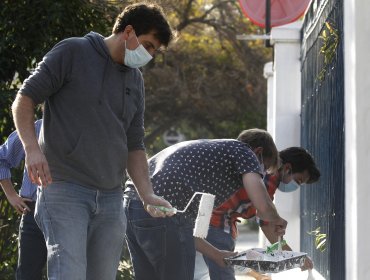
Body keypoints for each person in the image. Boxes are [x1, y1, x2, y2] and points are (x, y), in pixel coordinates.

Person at [11, 2, 175, 279]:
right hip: (64, 190)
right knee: (70, 273)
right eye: (147, 45)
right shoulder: (73, 51)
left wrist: (146, 194)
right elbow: (24, 99)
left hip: (111, 198)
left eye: (154, 51)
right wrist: (32, 150)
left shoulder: (135, 80)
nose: (149, 55)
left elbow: (134, 144)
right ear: (129, 31)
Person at [124, 128, 288, 280]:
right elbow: (263, 206)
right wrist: (276, 220)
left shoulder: (212, 162)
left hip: (133, 205)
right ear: (258, 152)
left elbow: (187, 227)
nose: (259, 174)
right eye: (263, 168)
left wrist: (216, 254)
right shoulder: (244, 152)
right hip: (162, 210)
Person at [196, 146, 320, 280]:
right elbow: (267, 225)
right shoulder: (269, 178)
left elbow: (268, 226)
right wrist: (296, 258)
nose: (296, 186)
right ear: (287, 168)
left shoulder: (264, 176)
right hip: (216, 223)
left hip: (213, 221)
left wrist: (294, 257)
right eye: (299, 180)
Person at [0, 119, 47, 280]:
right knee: (28, 275)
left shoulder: (81, 126)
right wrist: (11, 196)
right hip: (32, 210)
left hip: (72, 212)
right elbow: (1, 158)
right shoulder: (34, 128)